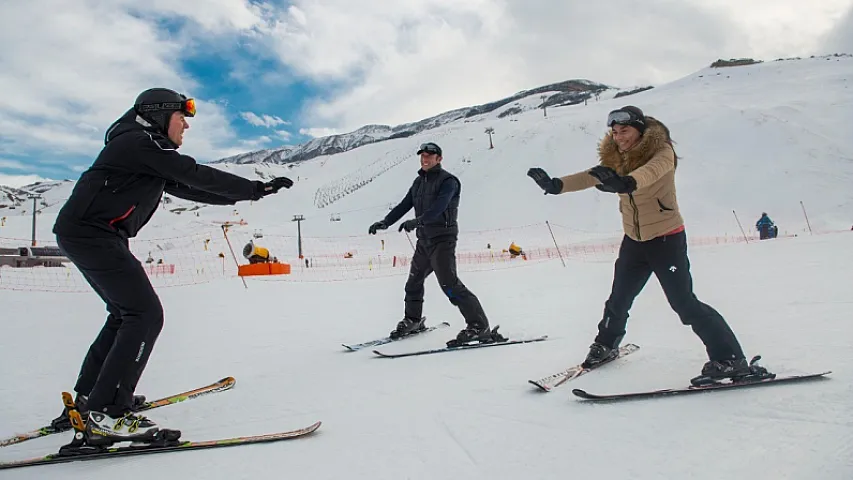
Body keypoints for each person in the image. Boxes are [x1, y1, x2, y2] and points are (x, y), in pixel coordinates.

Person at [51, 88, 293, 447]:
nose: (186, 127)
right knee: (144, 314)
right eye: (183, 118)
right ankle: (107, 414)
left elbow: (193, 188)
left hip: (92, 234)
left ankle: (90, 399)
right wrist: (254, 187)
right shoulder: (138, 143)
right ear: (159, 115)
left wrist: (256, 191)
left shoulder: (142, 150)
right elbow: (193, 172)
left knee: (125, 314)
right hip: (92, 234)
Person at [527, 106, 749, 382]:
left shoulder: (662, 153)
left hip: (666, 238)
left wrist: (625, 183)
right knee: (618, 300)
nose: (620, 137)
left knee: (684, 304)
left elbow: (648, 174)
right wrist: (556, 185)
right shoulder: (617, 158)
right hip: (634, 240)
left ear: (640, 130)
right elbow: (590, 176)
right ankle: (606, 345)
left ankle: (730, 359)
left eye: (625, 131)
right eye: (616, 132)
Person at [368, 142, 503, 347]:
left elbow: (440, 207)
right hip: (424, 241)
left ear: (439, 159)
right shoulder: (418, 183)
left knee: (450, 285)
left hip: (443, 240)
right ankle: (413, 320)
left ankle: (479, 326)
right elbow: (405, 204)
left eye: (430, 155)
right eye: (423, 155)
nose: (425, 158)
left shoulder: (449, 181)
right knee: (413, 282)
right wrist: (385, 222)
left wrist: (418, 221)